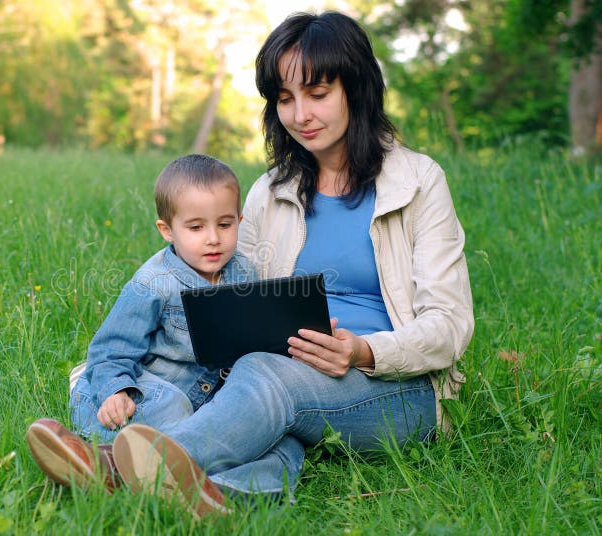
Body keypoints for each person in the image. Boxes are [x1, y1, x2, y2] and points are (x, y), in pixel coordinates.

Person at [110, 10, 474, 516]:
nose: (300, 113)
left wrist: (363, 350)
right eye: (285, 98)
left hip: (397, 390)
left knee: (268, 379)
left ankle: (117, 469)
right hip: (287, 376)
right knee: (271, 408)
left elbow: (450, 325)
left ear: (356, 88)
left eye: (317, 93)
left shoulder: (417, 182)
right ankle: (219, 496)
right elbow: (229, 289)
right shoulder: (270, 191)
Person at [26, 154, 274, 511]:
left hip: (204, 396)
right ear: (167, 230)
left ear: (240, 221)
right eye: (195, 228)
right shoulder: (154, 282)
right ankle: (101, 421)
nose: (213, 239)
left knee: (246, 418)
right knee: (173, 408)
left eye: (225, 224)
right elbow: (111, 348)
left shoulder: (244, 275)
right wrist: (116, 389)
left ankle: (175, 478)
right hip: (143, 389)